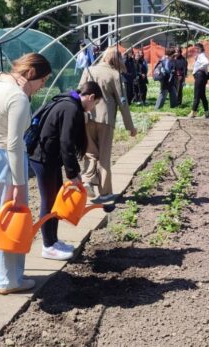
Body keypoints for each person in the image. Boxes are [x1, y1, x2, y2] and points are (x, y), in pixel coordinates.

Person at [0, 53, 51, 295]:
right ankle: (10, 280)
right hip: (2, 159)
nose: (42, 87)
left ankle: (4, 275)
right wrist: (19, 183)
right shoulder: (18, 98)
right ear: (30, 74)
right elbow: (14, 144)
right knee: (11, 219)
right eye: (42, 81)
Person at [29, 82, 103, 260]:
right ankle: (47, 246)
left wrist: (72, 172)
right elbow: (66, 143)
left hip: (49, 158)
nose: (92, 109)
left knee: (55, 200)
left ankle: (53, 241)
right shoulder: (71, 108)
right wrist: (73, 174)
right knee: (49, 201)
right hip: (43, 158)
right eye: (95, 104)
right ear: (91, 97)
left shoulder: (67, 101)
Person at [78, 47, 137, 201]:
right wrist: (130, 126)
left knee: (90, 152)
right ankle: (105, 193)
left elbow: (79, 92)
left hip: (87, 117)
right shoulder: (115, 75)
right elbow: (122, 102)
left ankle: (87, 180)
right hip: (106, 120)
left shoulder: (89, 70)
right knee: (104, 156)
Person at [189, 43, 209, 118]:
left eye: (196, 49)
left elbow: (206, 62)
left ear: (199, 49)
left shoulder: (202, 55)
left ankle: (193, 112)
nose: (195, 50)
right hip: (201, 77)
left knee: (197, 95)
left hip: (200, 76)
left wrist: (199, 68)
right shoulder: (200, 55)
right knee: (202, 95)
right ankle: (207, 112)